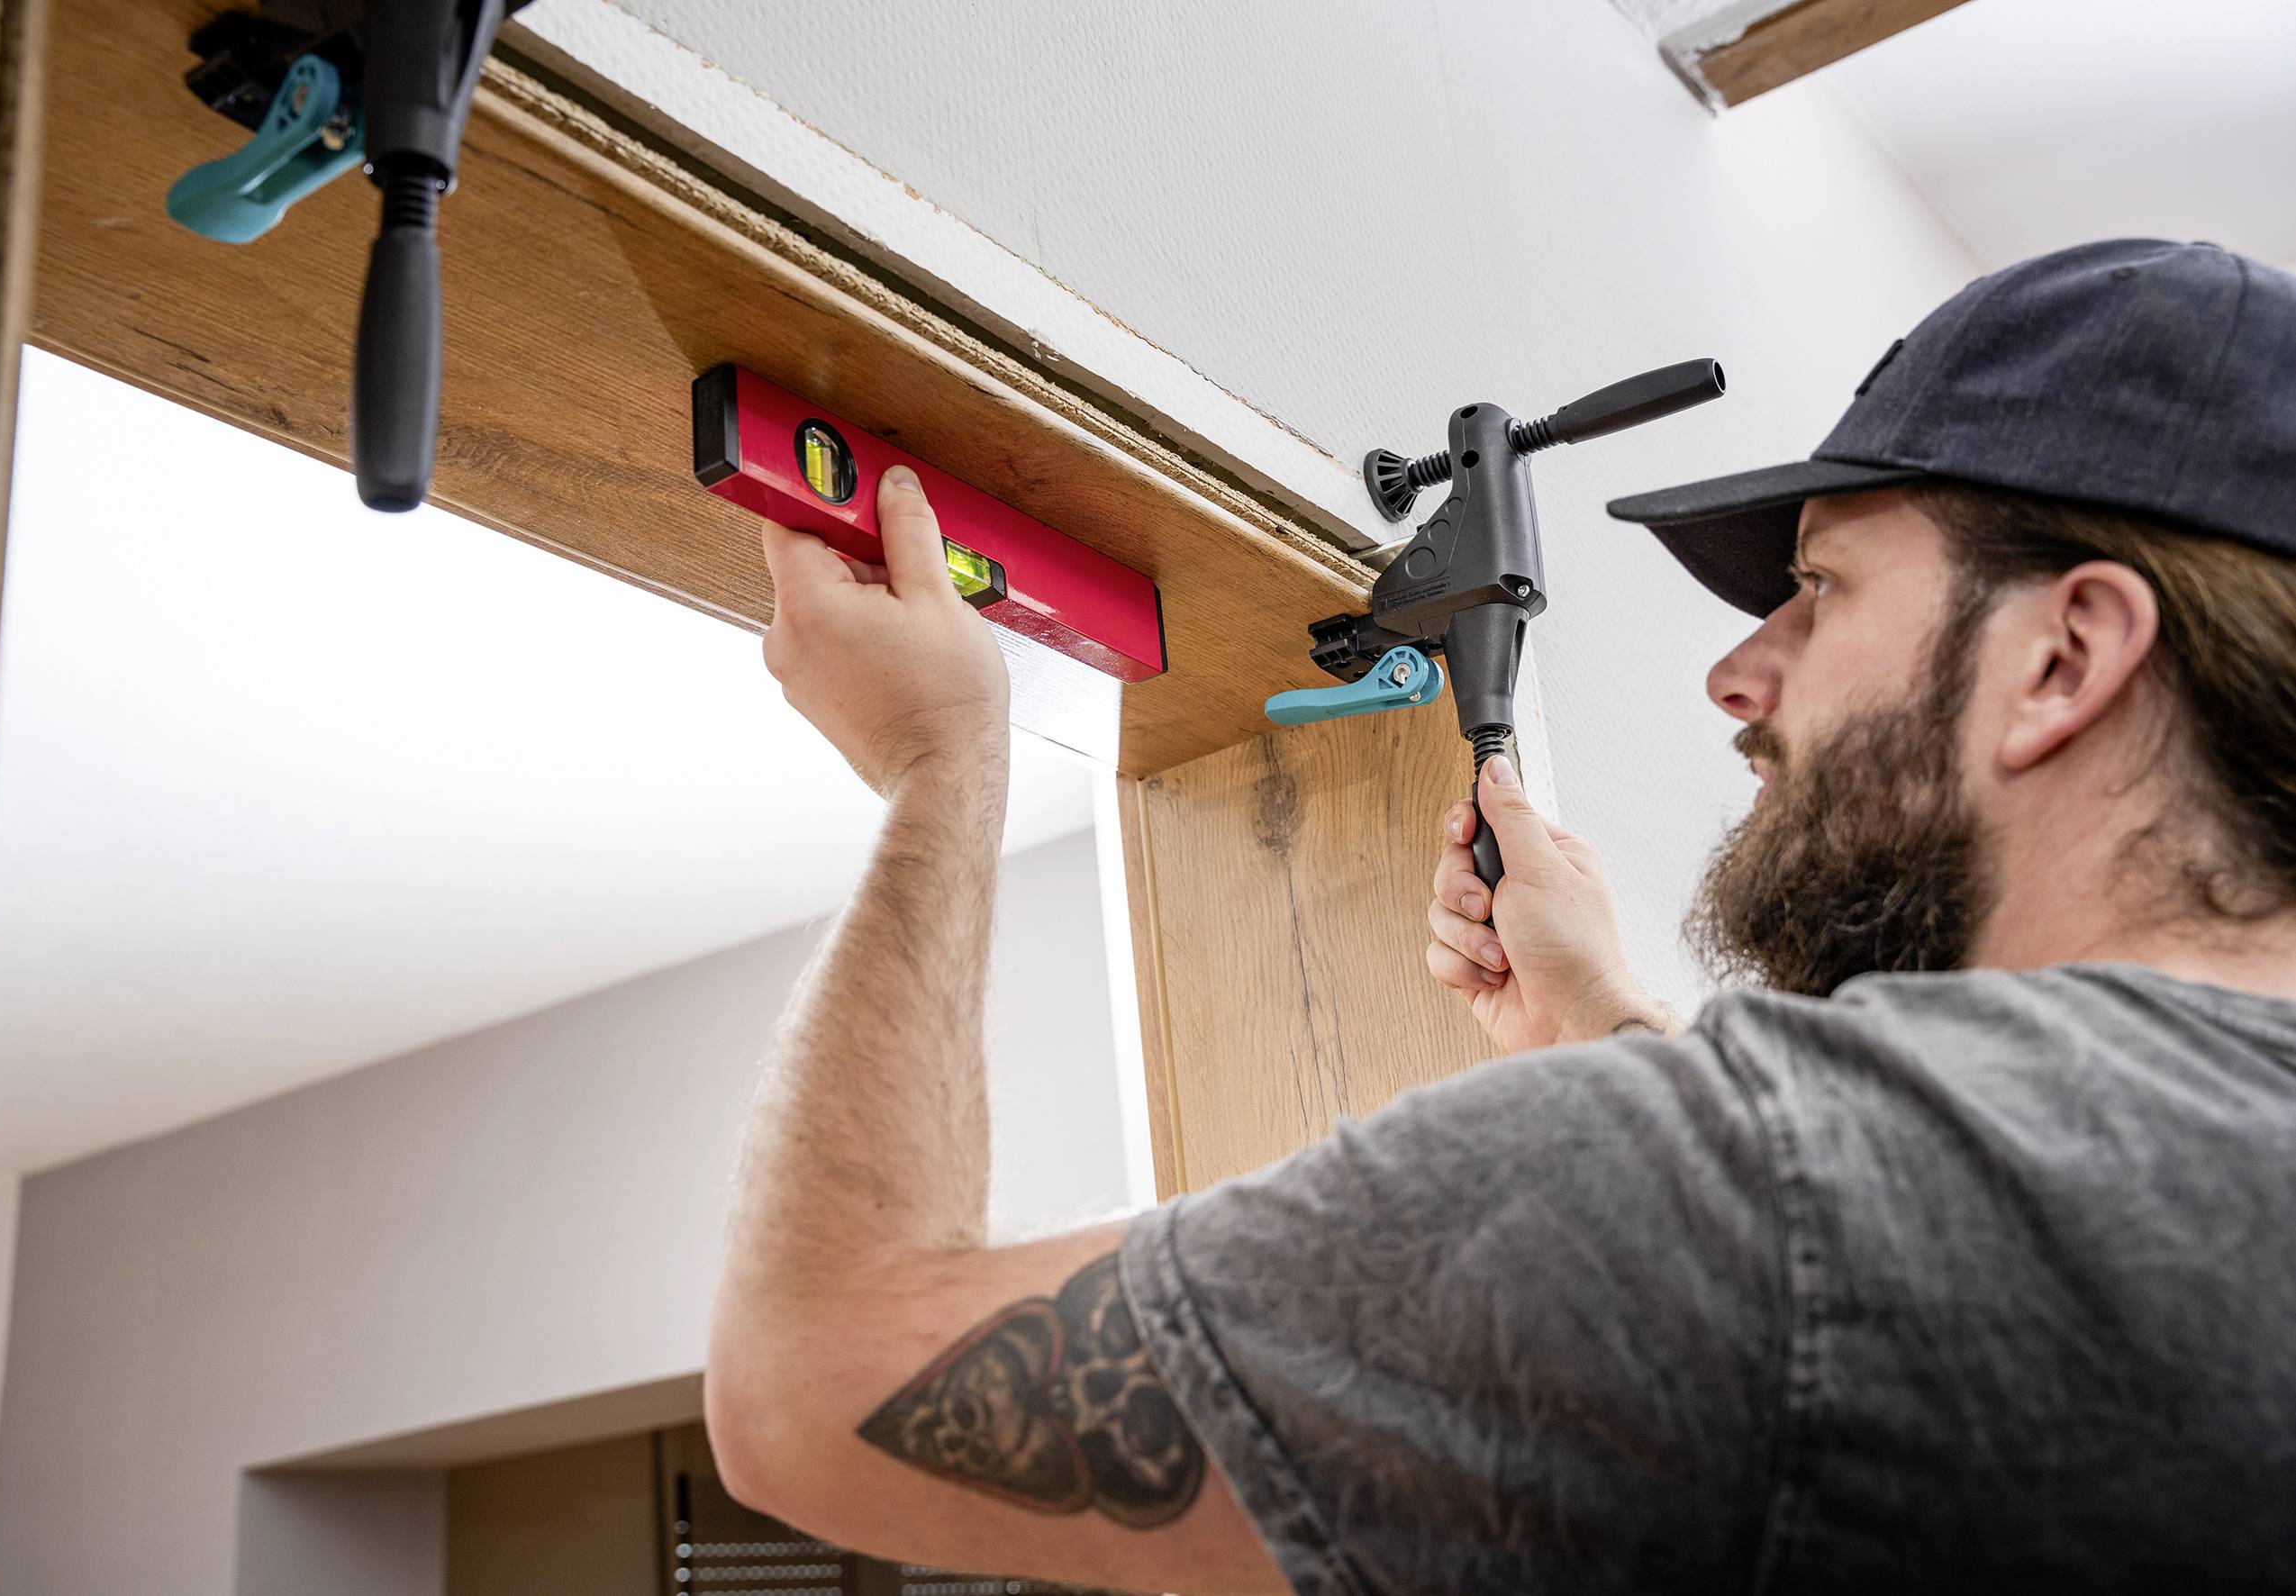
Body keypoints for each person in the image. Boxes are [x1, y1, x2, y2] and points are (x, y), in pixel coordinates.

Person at [702, 239, 2296, 1593]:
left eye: (1824, 588)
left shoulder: (1766, 1197)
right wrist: (1601, 1016)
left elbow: (816, 1385)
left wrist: (940, 771)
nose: (1740, 673)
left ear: (2063, 659)